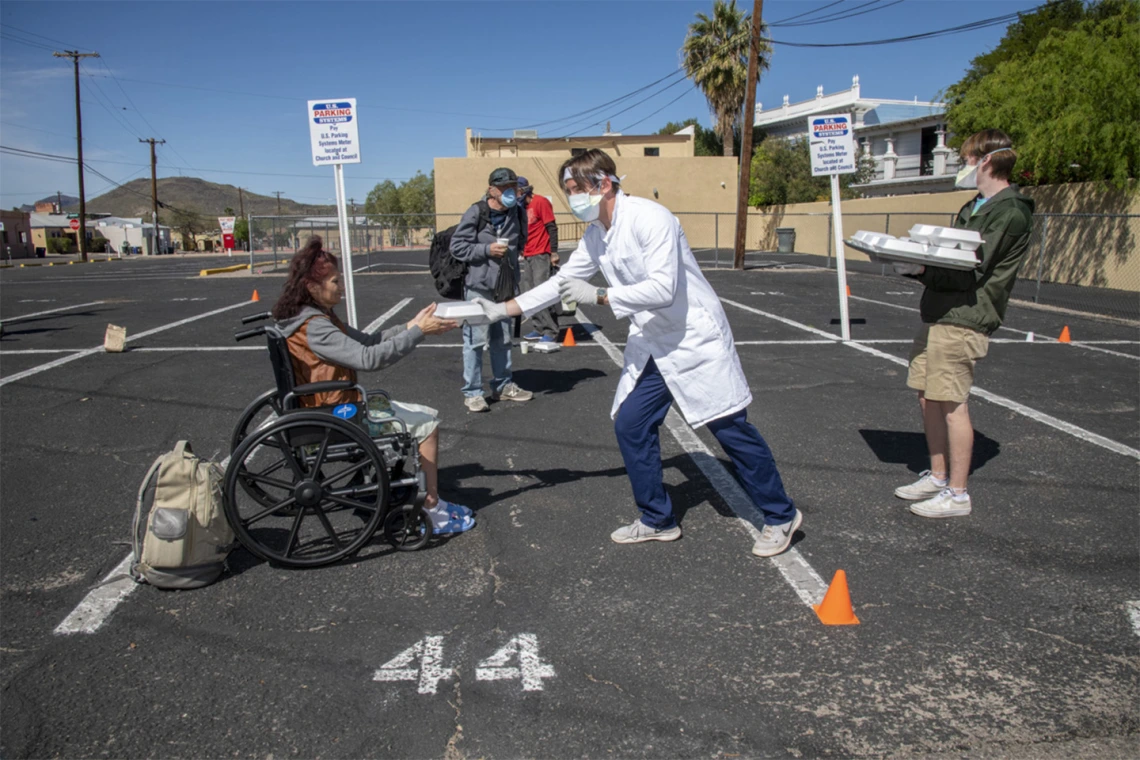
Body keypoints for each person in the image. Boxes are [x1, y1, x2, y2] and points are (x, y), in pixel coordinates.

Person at [475, 149, 800, 557]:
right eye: (568, 191)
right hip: (654, 344)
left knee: (729, 427)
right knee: (632, 423)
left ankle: (780, 514)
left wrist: (600, 295)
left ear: (604, 183)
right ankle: (657, 519)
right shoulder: (596, 234)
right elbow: (559, 283)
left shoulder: (651, 218)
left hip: (692, 338)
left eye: (576, 189)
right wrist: (504, 309)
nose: (572, 199)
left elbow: (663, 289)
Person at [271, 236, 476, 535]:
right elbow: (369, 358)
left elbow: (367, 341)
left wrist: (411, 325)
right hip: (337, 416)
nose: (341, 286)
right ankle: (431, 508)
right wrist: (418, 333)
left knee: (418, 413)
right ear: (312, 287)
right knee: (428, 424)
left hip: (328, 407)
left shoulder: (311, 317)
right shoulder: (315, 327)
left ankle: (417, 494)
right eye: (335, 281)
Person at [892, 129, 1034, 518]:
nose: (964, 165)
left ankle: (957, 493)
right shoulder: (975, 205)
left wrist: (920, 267)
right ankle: (938, 476)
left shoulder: (1010, 211)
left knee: (952, 403)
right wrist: (919, 266)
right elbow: (947, 260)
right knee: (927, 394)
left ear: (986, 160)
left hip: (965, 316)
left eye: (968, 158)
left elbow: (972, 268)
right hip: (940, 311)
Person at [449, 167, 534, 412]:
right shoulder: (477, 212)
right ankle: (473, 392)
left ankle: (503, 386)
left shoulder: (518, 212)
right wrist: (486, 250)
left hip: (505, 287)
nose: (511, 193)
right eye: (506, 188)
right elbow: (458, 247)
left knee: (503, 340)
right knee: (475, 341)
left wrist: (509, 263)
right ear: (492, 190)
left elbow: (522, 241)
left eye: (514, 188)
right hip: (478, 287)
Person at [516, 176, 561, 343]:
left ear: (523, 190)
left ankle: (551, 330)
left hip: (541, 253)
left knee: (542, 292)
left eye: (516, 191)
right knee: (529, 292)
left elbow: (551, 227)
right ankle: (538, 327)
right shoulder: (520, 207)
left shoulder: (540, 202)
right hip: (528, 253)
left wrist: (554, 252)